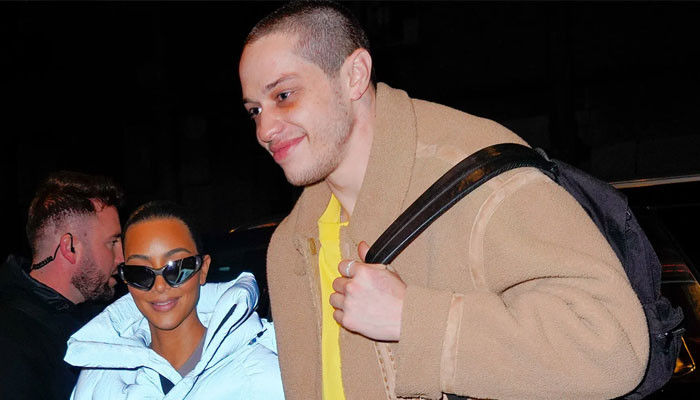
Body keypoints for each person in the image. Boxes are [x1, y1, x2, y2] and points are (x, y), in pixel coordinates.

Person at [238, 1, 650, 399]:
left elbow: (613, 347)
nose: (265, 130)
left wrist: (412, 320)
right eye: (255, 110)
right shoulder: (290, 248)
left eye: (284, 95)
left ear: (354, 76)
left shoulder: (478, 181)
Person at [65, 200, 284, 399]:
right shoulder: (100, 376)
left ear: (203, 269)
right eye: (141, 272)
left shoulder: (260, 374)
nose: (160, 286)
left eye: (177, 268)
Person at [0, 170, 124, 400]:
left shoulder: (100, 316)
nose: (121, 257)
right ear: (70, 248)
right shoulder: (11, 342)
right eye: (113, 242)